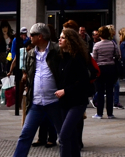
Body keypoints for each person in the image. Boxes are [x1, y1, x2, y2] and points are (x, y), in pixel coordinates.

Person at [12, 24, 63, 157]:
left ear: (40, 36)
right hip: (36, 102)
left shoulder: (57, 50)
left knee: (63, 135)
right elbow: (30, 74)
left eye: (32, 35)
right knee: (25, 134)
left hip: (54, 101)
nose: (29, 37)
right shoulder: (30, 53)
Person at [56, 28, 94, 157]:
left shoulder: (78, 58)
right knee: (71, 137)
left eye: (63, 38)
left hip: (77, 102)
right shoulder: (62, 57)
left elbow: (83, 81)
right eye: (60, 37)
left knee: (64, 136)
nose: (59, 40)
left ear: (70, 41)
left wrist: (65, 91)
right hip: (64, 102)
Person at [91, 26, 119, 120]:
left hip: (100, 69)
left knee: (100, 91)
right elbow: (117, 55)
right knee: (110, 91)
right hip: (111, 68)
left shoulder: (97, 45)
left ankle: (99, 113)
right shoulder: (112, 44)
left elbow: (94, 59)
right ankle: (110, 113)